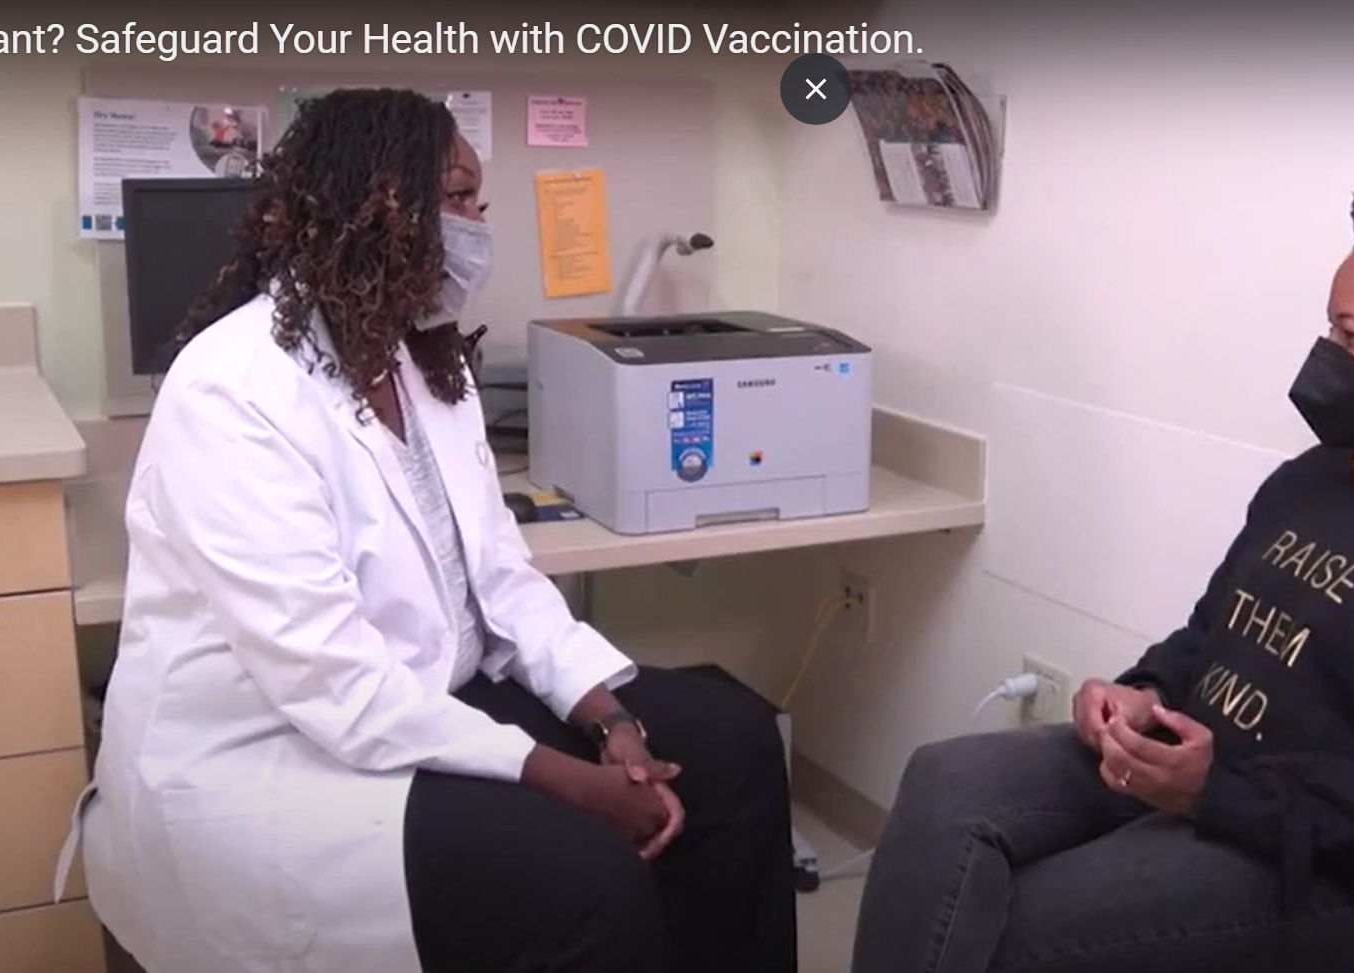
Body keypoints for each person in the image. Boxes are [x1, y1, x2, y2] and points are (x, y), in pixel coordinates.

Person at [55, 88, 797, 973]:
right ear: (370, 204)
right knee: (585, 880)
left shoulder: (424, 364)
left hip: (427, 701)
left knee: (736, 741)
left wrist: (610, 721)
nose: (476, 228)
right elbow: (329, 677)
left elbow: (503, 577)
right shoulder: (235, 388)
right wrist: (564, 778)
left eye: (479, 203)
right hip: (277, 755)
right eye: (456, 198)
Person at [849, 186, 1354, 973]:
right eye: (1327, 329)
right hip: (1201, 773)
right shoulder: (1318, 479)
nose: (1326, 358)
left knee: (1025, 919)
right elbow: (1212, 636)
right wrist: (1136, 695)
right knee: (945, 784)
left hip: (1342, 873)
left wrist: (1220, 791)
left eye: (1351, 336)